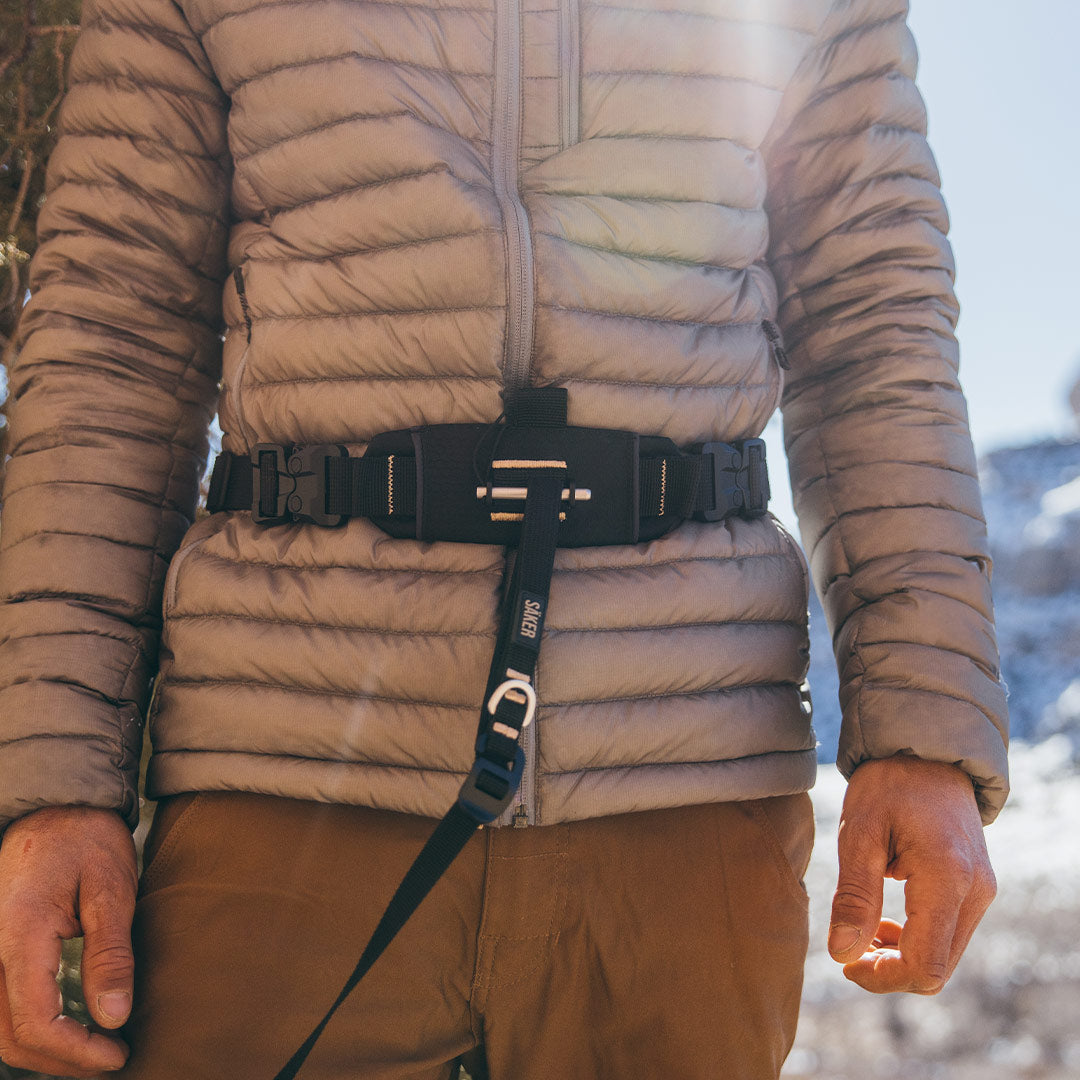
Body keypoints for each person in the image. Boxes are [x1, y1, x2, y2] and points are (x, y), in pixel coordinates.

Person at [0, 0, 1008, 1077]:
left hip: (687, 799)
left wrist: (926, 736)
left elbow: (875, 331)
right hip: (284, 784)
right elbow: (115, 342)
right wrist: (51, 784)